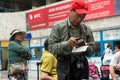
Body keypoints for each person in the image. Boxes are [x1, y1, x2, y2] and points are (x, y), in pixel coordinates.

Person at [48, 0, 95, 80]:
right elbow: (51, 48)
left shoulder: (87, 29)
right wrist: (67, 43)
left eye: (83, 16)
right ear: (71, 11)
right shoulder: (58, 27)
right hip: (64, 65)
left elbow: (91, 50)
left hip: (81, 64)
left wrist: (86, 47)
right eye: (78, 15)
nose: (80, 18)